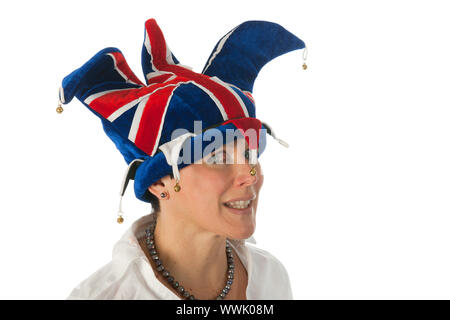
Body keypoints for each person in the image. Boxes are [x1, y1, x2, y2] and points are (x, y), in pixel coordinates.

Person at [58, 18, 306, 300]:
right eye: (218, 158)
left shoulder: (270, 277)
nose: (251, 174)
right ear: (159, 183)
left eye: (249, 153)